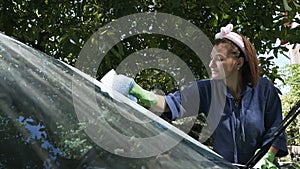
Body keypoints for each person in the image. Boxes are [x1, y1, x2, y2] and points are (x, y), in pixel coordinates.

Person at [111, 24, 288, 168]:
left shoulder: (264, 89)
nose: (211, 64)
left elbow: (276, 130)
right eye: (211, 58)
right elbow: (169, 104)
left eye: (218, 59)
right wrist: (138, 92)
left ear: (238, 62)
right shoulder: (206, 90)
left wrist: (268, 157)